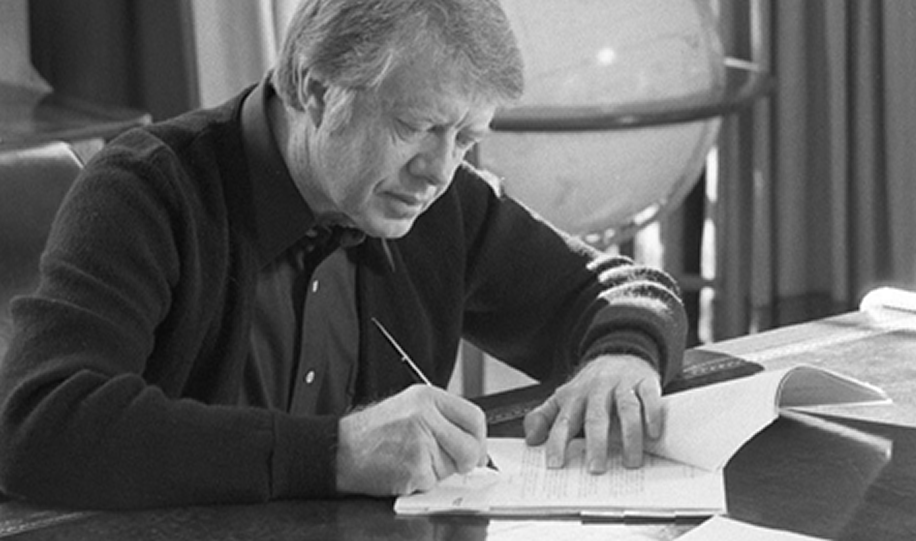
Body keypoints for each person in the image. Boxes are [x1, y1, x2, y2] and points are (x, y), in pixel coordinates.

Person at [0, 0, 687, 510]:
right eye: (415, 127)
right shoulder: (148, 191)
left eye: (467, 139)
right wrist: (335, 453)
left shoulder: (438, 202)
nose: (439, 170)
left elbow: (617, 287)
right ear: (313, 87)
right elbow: (41, 424)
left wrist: (621, 354)